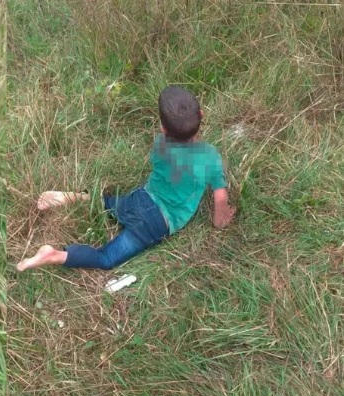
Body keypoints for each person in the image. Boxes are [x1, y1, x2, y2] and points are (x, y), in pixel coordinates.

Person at [17, 86, 237, 272]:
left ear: (163, 127)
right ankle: (55, 255)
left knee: (110, 204)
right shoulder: (210, 157)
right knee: (106, 258)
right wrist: (220, 222)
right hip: (157, 223)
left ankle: (70, 197)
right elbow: (219, 196)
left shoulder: (160, 144)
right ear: (202, 114)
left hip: (140, 198)